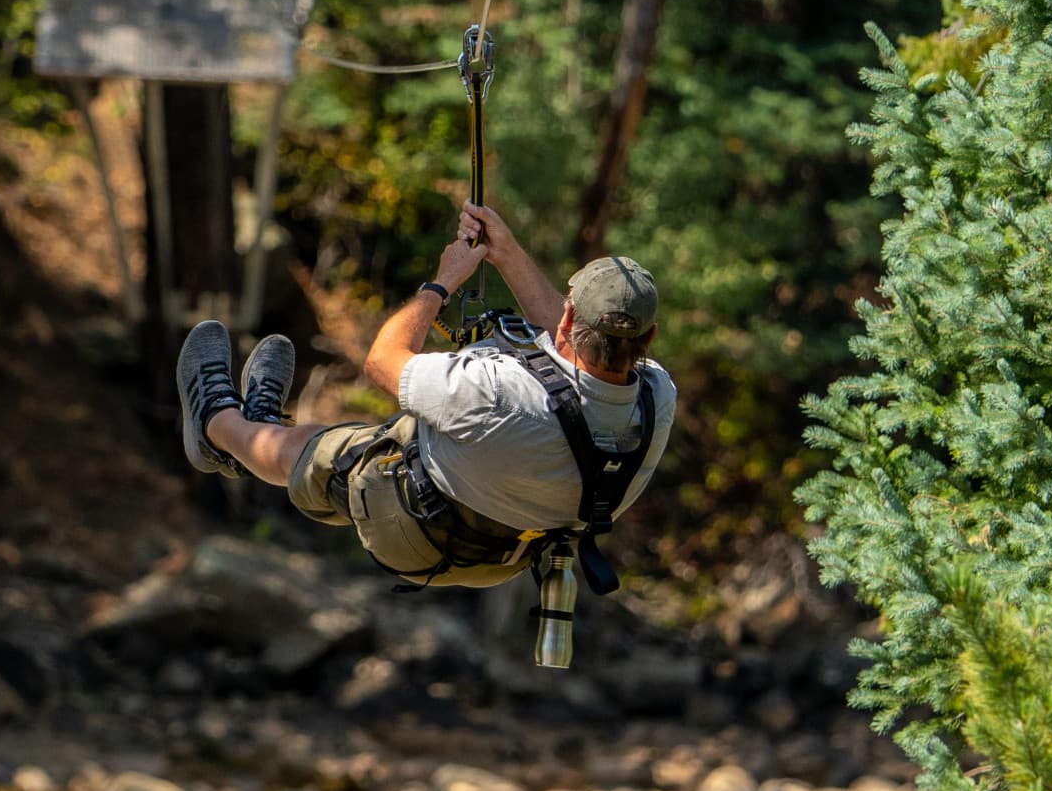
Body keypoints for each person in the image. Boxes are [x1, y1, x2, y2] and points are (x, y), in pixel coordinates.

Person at [175, 203, 676, 586]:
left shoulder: (499, 392)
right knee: (402, 433)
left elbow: (382, 361)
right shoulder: (657, 396)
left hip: (417, 533)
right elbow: (573, 350)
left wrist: (443, 280)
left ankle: (217, 426)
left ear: (568, 317)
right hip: (502, 556)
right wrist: (506, 252)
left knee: (330, 453)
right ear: (648, 341)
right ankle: (258, 427)